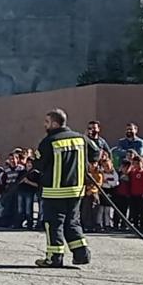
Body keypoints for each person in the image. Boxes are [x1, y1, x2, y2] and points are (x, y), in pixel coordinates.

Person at [33, 108, 98, 268]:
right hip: (76, 191)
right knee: (72, 222)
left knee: (53, 224)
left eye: (47, 122)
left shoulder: (49, 141)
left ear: (55, 123)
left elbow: (39, 165)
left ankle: (54, 257)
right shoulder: (81, 138)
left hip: (54, 192)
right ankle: (81, 254)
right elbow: (96, 153)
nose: (44, 125)